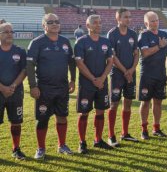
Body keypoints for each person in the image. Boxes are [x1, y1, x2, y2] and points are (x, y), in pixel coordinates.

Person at [27, 14, 76, 159]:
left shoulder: (65, 41)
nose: (54, 24)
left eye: (57, 22)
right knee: (42, 119)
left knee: (62, 117)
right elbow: (29, 65)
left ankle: (62, 145)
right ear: (44, 26)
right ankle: (40, 148)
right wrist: (33, 86)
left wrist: (72, 80)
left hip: (62, 88)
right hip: (44, 89)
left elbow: (72, 63)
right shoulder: (36, 43)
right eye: (50, 22)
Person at [74, 15, 114, 153]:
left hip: (102, 84)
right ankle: (82, 142)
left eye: (100, 22)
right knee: (84, 113)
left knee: (101, 111)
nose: (98, 25)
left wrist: (102, 78)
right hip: (87, 84)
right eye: (95, 23)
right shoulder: (81, 42)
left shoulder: (106, 42)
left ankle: (98, 140)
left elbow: (110, 61)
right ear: (88, 25)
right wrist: (93, 79)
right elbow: (80, 63)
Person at [106, 8, 140, 147]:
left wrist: (131, 70)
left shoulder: (133, 34)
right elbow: (112, 57)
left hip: (130, 73)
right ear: (118, 18)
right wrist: (125, 71)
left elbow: (136, 54)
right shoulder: (112, 34)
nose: (128, 19)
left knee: (128, 102)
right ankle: (111, 135)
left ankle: (125, 133)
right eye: (125, 17)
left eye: (130, 17)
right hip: (117, 74)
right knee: (114, 103)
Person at [138, 11, 167, 140]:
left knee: (158, 102)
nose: (155, 22)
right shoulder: (144, 35)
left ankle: (156, 128)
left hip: (161, 74)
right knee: (145, 102)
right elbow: (145, 53)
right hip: (147, 74)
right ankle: (144, 129)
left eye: (156, 20)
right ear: (146, 23)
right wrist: (159, 46)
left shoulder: (164, 34)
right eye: (152, 21)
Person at [0, 22, 27, 160]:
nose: (10, 34)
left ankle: (16, 149)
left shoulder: (20, 51)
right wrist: (3, 88)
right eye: (6, 31)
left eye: (11, 31)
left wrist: (13, 86)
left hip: (15, 93)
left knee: (16, 122)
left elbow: (24, 70)